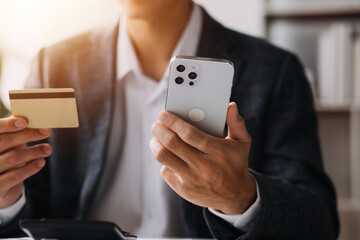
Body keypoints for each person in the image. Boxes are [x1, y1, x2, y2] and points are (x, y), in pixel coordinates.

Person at [0, 0, 339, 239]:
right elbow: (31, 208)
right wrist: (6, 198)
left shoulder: (274, 70)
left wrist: (241, 198)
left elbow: (319, 220)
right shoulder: (55, 64)